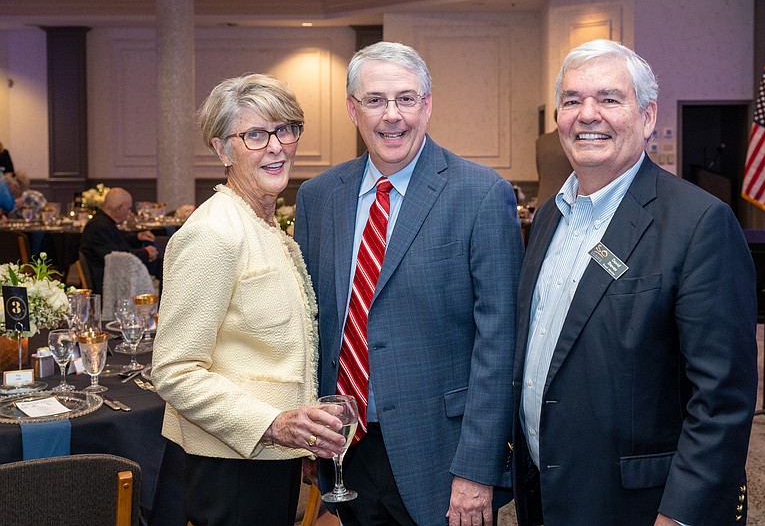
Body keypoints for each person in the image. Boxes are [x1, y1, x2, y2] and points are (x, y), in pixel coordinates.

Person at [512, 39, 758, 526]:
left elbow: (722, 400)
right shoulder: (548, 218)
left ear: (647, 118)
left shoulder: (699, 223)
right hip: (546, 492)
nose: (587, 114)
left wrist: (682, 515)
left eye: (608, 98)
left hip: (639, 506)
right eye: (572, 100)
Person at [295, 41, 525, 526]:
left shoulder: (482, 194)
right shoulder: (317, 198)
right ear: (352, 109)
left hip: (441, 456)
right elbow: (311, 326)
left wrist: (477, 470)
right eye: (375, 100)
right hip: (346, 451)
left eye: (406, 98)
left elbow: (499, 344)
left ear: (427, 104)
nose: (392, 115)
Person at [151, 73, 347, 526]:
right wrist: (273, 424)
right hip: (232, 467)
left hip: (269, 459)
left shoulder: (264, 223)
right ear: (222, 150)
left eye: (285, 129)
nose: (276, 146)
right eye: (255, 134)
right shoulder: (212, 233)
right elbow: (175, 371)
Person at [79, 187, 160, 294]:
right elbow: (117, 257)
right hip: (107, 283)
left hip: (110, 275)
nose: (129, 212)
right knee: (159, 266)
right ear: (119, 208)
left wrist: (137, 237)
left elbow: (116, 240)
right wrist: (146, 253)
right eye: (128, 208)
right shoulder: (100, 227)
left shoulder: (102, 221)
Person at [534, 112, 573, 203]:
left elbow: (540, 172)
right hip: (568, 201)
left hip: (543, 200)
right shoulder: (574, 141)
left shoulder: (542, 141)